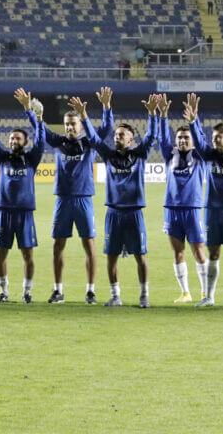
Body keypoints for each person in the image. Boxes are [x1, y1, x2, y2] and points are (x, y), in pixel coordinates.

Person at [42, 88, 113, 304]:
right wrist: (30, 111)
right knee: (58, 245)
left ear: (80, 125)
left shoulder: (89, 142)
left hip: (84, 199)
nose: (70, 128)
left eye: (73, 124)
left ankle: (90, 291)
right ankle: (58, 290)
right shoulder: (59, 142)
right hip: (63, 199)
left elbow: (106, 129)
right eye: (67, 125)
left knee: (89, 245)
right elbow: (39, 129)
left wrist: (106, 108)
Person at [94, 94, 160, 307]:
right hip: (113, 213)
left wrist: (152, 114)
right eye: (116, 135)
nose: (117, 137)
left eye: (122, 135)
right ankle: (115, 296)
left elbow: (151, 135)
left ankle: (144, 296)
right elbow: (93, 139)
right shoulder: (108, 155)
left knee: (140, 256)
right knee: (111, 257)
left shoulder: (140, 155)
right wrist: (104, 109)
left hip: (134, 213)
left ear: (131, 139)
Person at [184, 94, 223, 307]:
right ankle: (209, 297)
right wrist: (193, 121)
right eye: (213, 137)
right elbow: (200, 142)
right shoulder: (209, 155)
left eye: (218, 137)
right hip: (212, 209)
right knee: (212, 252)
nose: (214, 140)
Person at [0, 89, 45, 303]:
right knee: (1, 255)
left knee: (28, 255)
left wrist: (30, 112)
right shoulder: (2, 158)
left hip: (25, 214)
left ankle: (27, 292)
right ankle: (3, 291)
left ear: (25, 142)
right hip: (4, 212)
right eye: (10, 138)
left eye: (17, 138)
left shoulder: (31, 158)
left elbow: (41, 137)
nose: (12, 141)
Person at [155, 94, 210, 304]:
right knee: (178, 253)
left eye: (186, 138)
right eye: (180, 138)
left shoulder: (200, 155)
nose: (183, 140)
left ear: (193, 140)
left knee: (198, 252)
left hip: (193, 209)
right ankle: (186, 293)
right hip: (171, 209)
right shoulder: (170, 154)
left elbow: (202, 142)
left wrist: (193, 122)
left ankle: (206, 292)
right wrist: (163, 117)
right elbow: (162, 139)